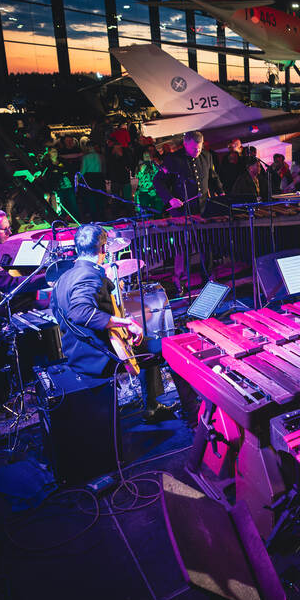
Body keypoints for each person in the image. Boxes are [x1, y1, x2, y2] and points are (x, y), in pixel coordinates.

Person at [51, 225, 173, 422]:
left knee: (146, 345)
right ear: (103, 248)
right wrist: (125, 323)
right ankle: (195, 418)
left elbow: (59, 311)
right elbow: (80, 312)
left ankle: (152, 406)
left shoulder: (64, 277)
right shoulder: (89, 276)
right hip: (99, 356)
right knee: (172, 348)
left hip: (77, 352)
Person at [153, 131, 224, 292]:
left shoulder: (207, 156)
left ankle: (207, 279)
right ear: (185, 144)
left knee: (206, 245)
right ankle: (180, 279)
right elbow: (158, 181)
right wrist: (170, 199)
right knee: (183, 247)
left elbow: (213, 177)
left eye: (199, 148)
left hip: (203, 209)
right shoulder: (173, 159)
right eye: (193, 149)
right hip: (182, 212)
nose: (197, 152)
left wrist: (220, 192)